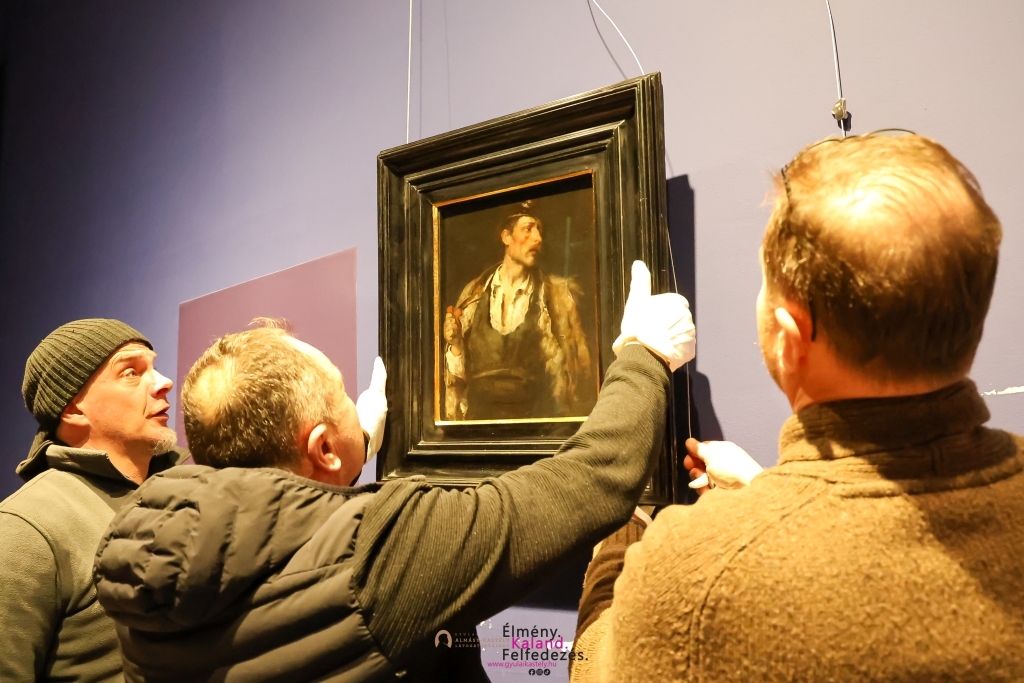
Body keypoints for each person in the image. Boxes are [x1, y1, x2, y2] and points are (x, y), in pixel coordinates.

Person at [92, 262, 696, 682]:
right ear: (321, 449)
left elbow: (286, 530)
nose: (353, 404)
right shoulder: (384, 550)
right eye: (341, 396)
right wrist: (644, 354)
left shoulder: (144, 554)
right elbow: (596, 477)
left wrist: (349, 450)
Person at [571, 133, 1024, 682]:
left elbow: (595, 665)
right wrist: (764, 490)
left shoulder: (695, 573)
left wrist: (621, 529)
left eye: (767, 285)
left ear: (788, 338)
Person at [0, 318, 188, 682]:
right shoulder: (26, 528)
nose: (164, 382)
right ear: (73, 408)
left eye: (154, 367)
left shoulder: (186, 496)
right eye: (131, 372)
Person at [443, 203, 593, 420]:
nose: (537, 238)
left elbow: (572, 381)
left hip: (533, 424)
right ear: (506, 237)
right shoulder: (472, 296)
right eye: (528, 229)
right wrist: (456, 344)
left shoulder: (554, 299)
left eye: (539, 230)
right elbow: (456, 383)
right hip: (478, 424)